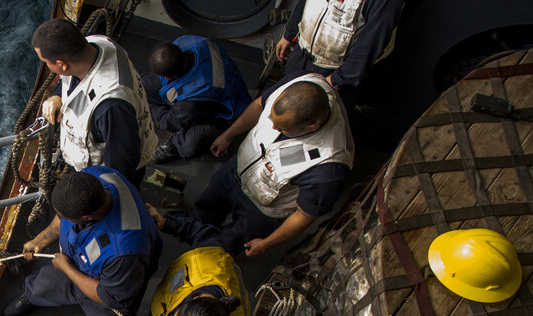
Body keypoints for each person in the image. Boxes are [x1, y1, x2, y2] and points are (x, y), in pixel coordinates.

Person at [2, 167, 162, 316]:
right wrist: (41, 240)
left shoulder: (126, 248)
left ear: (88, 217)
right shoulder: (91, 180)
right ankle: (32, 295)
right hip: (75, 260)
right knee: (43, 284)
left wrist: (67, 269)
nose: (61, 218)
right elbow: (63, 216)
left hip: (113, 285)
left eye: (67, 217)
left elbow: (111, 297)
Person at [201, 72, 353, 256]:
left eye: (281, 128)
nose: (273, 128)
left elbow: (304, 216)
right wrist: (229, 135)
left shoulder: (328, 166)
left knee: (222, 246)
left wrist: (267, 243)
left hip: (261, 210)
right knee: (206, 207)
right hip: (239, 167)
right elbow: (259, 105)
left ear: (312, 125)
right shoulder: (301, 82)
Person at [33, 18, 157, 183]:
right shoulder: (95, 43)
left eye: (46, 63)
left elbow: (121, 168)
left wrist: (107, 196)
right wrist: (58, 96)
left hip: (106, 174)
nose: (47, 66)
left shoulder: (111, 106)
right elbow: (70, 79)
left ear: (61, 65)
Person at [141, 36, 252, 163]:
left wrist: (149, 107)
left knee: (189, 146)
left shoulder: (197, 93)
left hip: (223, 109)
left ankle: (176, 145)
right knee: (143, 84)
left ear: (167, 76)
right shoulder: (189, 42)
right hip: (216, 83)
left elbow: (170, 123)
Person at [275, 0, 404, 91]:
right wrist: (289, 33)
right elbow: (305, 3)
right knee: (282, 112)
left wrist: (337, 81)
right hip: (298, 57)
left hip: (332, 74)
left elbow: (370, 43)